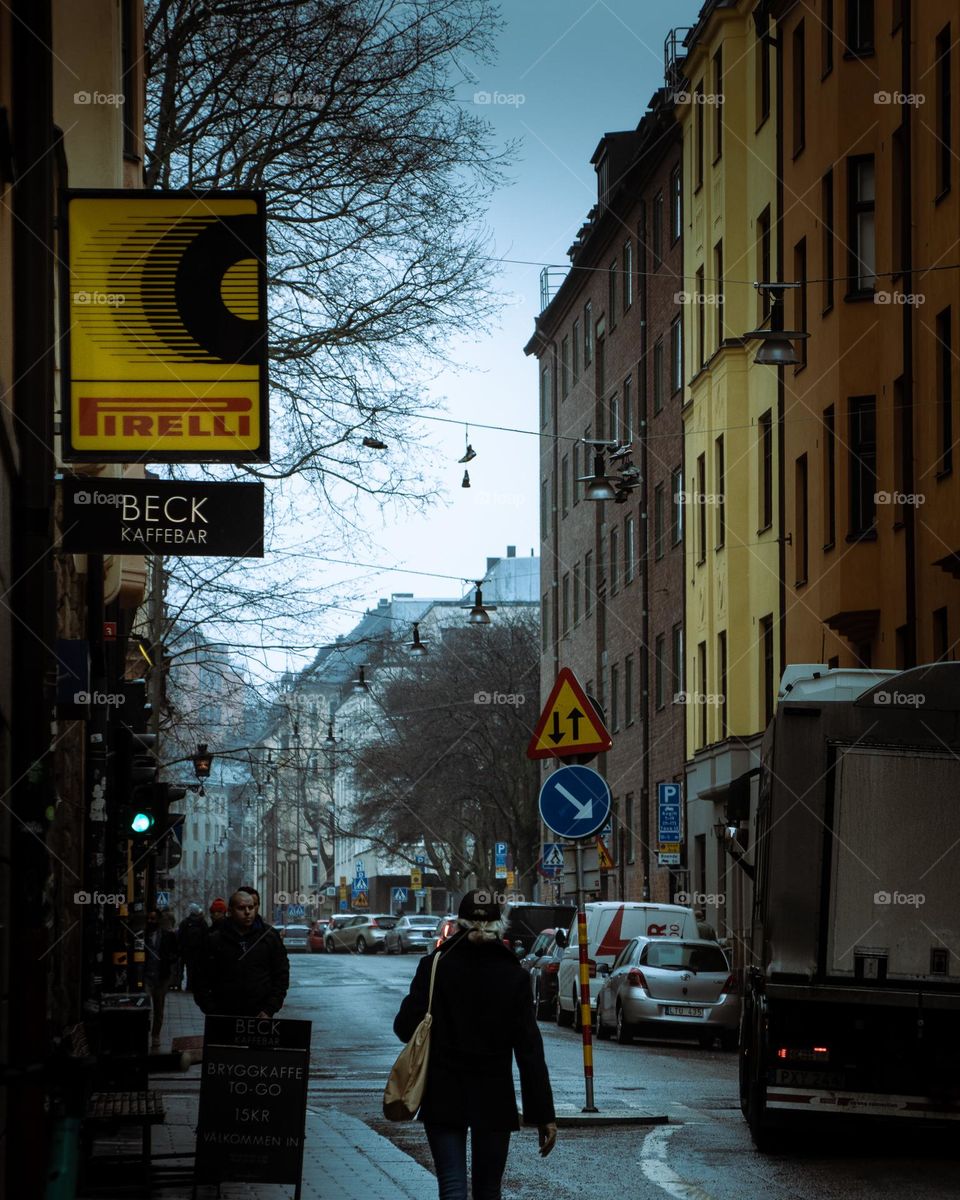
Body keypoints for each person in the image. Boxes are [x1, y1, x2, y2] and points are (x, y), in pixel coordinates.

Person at [393, 889, 557, 1200]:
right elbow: (529, 1051)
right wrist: (543, 1115)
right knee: (488, 1190)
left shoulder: (435, 967)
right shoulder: (514, 975)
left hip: (443, 1093)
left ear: (457, 923)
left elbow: (403, 1028)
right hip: (494, 1096)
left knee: (452, 1187)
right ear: (499, 925)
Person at [194, 889, 289, 1018]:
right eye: (241, 908)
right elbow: (200, 977)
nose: (247, 912)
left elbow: (281, 975)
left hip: (260, 1016)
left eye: (251, 907)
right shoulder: (215, 939)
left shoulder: (269, 937)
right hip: (223, 1015)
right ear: (230, 911)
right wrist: (212, 1010)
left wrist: (269, 1008)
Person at [143, 909, 178, 1048]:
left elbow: (175, 952)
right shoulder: (143, 936)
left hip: (161, 976)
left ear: (158, 920)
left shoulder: (167, 936)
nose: (151, 921)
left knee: (159, 1008)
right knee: (145, 1007)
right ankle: (143, 1032)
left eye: (153, 919)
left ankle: (155, 1035)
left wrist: (169, 960)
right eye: (149, 919)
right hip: (146, 976)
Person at [177, 903, 208, 992]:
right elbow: (206, 937)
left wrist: (180, 948)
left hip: (186, 951)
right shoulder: (202, 922)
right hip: (199, 951)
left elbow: (180, 936)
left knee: (187, 969)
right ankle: (195, 986)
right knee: (197, 969)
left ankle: (186, 986)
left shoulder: (185, 922)